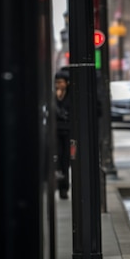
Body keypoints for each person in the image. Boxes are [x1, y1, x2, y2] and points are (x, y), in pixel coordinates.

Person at [54, 69, 72, 199]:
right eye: (56, 82)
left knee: (66, 160)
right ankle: (59, 185)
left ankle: (64, 187)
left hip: (68, 132)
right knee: (57, 159)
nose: (58, 85)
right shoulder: (53, 96)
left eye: (60, 82)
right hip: (56, 132)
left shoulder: (71, 96)